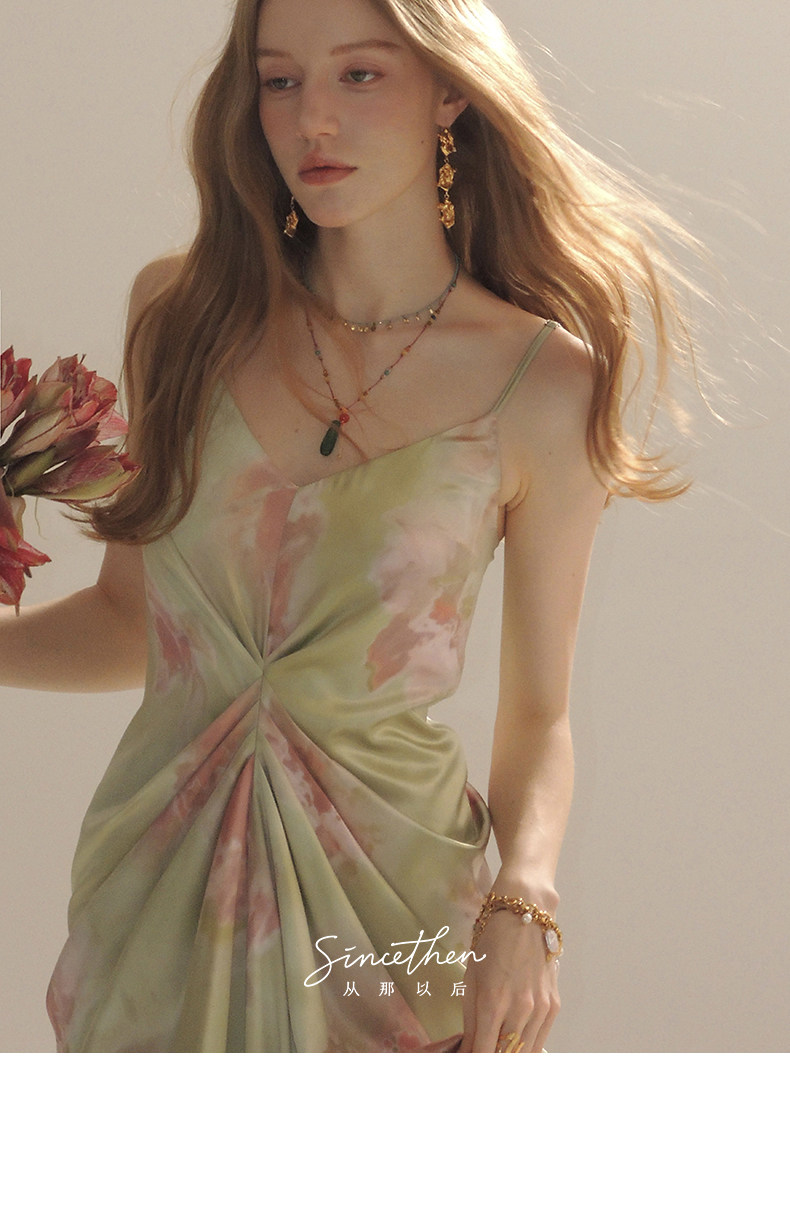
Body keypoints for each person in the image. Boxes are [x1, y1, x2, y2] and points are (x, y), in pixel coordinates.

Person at [0, 0, 699, 1052]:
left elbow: (539, 714)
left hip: (395, 919)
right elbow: (134, 621)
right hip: (157, 903)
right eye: (280, 81)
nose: (312, 120)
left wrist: (526, 897)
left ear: (451, 90)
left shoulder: (545, 385)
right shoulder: (180, 319)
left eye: (359, 75)